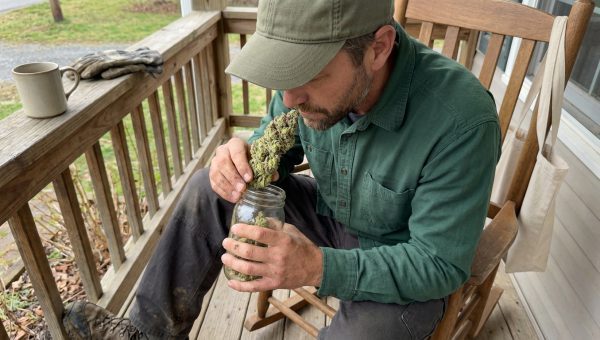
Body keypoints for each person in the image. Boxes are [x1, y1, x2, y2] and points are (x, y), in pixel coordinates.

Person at [62, 0, 501, 339]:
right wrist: (240, 159)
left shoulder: (462, 120)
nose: (288, 98)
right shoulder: (302, 94)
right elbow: (274, 144)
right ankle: (145, 332)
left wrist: (319, 269)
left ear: (378, 48)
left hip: (405, 264)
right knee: (207, 190)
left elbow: (439, 264)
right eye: (282, 74)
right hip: (332, 217)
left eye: (307, 74)